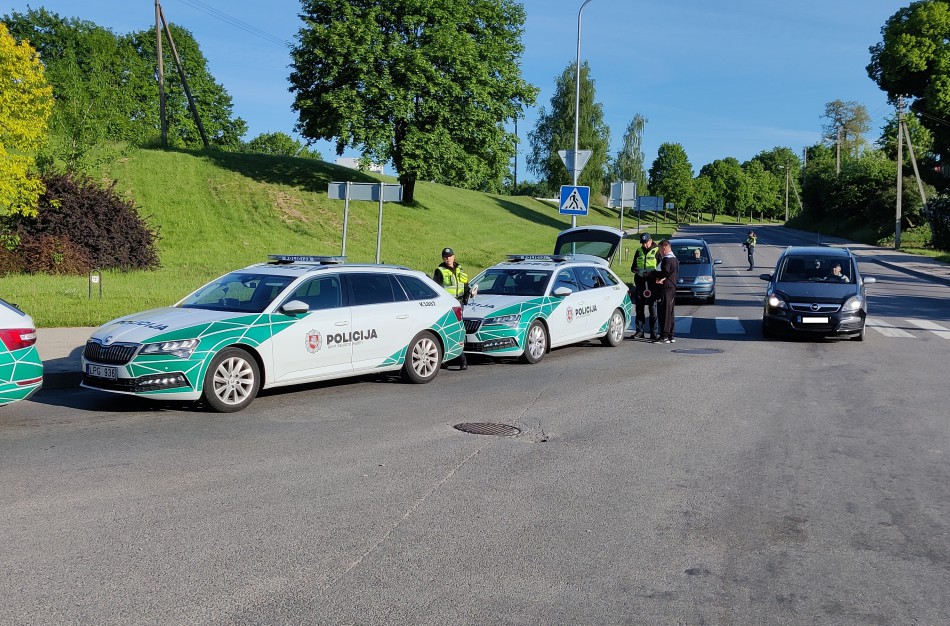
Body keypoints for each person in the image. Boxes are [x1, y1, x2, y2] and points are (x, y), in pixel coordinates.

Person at [434, 247, 474, 370]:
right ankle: (459, 360)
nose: (448, 258)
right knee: (450, 330)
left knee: (456, 330)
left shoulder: (460, 269)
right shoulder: (440, 271)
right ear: (442, 258)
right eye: (445, 257)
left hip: (459, 304)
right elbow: (437, 289)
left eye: (449, 256)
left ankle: (458, 360)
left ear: (453, 256)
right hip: (447, 305)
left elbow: (465, 285)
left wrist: (468, 296)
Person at [629, 233, 660, 340]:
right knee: (639, 309)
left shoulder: (657, 251)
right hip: (640, 283)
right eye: (643, 243)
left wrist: (651, 274)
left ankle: (654, 332)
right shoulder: (638, 251)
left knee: (653, 309)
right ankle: (639, 331)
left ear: (650, 241)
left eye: (646, 243)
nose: (644, 245)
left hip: (652, 284)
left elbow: (660, 267)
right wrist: (638, 271)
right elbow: (633, 267)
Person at [651, 239, 679, 344]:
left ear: (664, 248)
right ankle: (671, 335)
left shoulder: (667, 259)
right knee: (670, 312)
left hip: (666, 288)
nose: (659, 251)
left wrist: (659, 278)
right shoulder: (675, 259)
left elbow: (666, 271)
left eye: (659, 249)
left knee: (664, 311)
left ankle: (664, 335)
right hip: (672, 287)